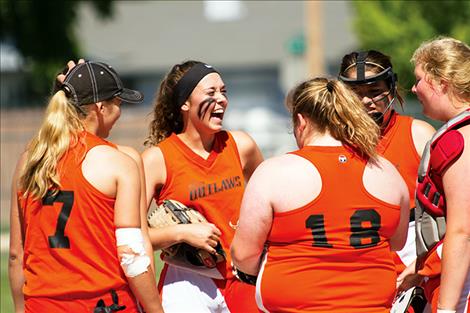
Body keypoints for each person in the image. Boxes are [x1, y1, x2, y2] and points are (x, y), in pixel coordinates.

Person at [231, 77, 410, 313]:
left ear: (301, 121)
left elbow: (243, 255)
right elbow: (397, 242)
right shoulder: (386, 170)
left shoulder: (274, 172)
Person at [8, 60, 163, 313]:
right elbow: (131, 254)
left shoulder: (30, 159)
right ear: (101, 107)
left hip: (42, 305)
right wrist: (156, 309)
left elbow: (17, 255)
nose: (120, 113)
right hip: (102, 303)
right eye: (119, 104)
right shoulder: (119, 162)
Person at [142, 60, 263, 312]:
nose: (222, 100)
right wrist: (182, 233)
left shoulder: (241, 145)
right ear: (185, 103)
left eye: (224, 91)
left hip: (242, 277)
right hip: (188, 281)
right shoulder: (157, 159)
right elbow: (131, 236)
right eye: (211, 93)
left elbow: (273, 203)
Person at [339, 50, 436, 286]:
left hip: (414, 250)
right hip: (356, 254)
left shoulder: (418, 134)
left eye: (374, 92)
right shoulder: (331, 141)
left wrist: (426, 262)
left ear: (391, 88)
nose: (364, 101)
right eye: (355, 94)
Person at [407, 36, 470, 313]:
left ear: (441, 83)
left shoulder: (458, 139)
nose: (413, 88)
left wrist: (446, 307)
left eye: (419, 79)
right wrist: (421, 267)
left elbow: (462, 230)